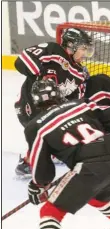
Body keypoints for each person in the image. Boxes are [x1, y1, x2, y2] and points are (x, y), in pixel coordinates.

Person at [25, 78, 110, 229]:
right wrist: (104, 138)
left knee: (50, 211)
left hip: (89, 169)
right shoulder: (82, 103)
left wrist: (38, 185)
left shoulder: (35, 126)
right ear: (58, 94)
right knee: (98, 196)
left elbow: (40, 164)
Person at [14, 27, 94, 177]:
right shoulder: (53, 50)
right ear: (71, 46)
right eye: (83, 48)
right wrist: (41, 76)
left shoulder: (79, 72)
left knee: (67, 128)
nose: (85, 54)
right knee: (45, 132)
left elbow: (77, 99)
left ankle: (52, 152)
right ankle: (27, 163)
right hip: (29, 105)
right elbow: (21, 61)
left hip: (49, 111)